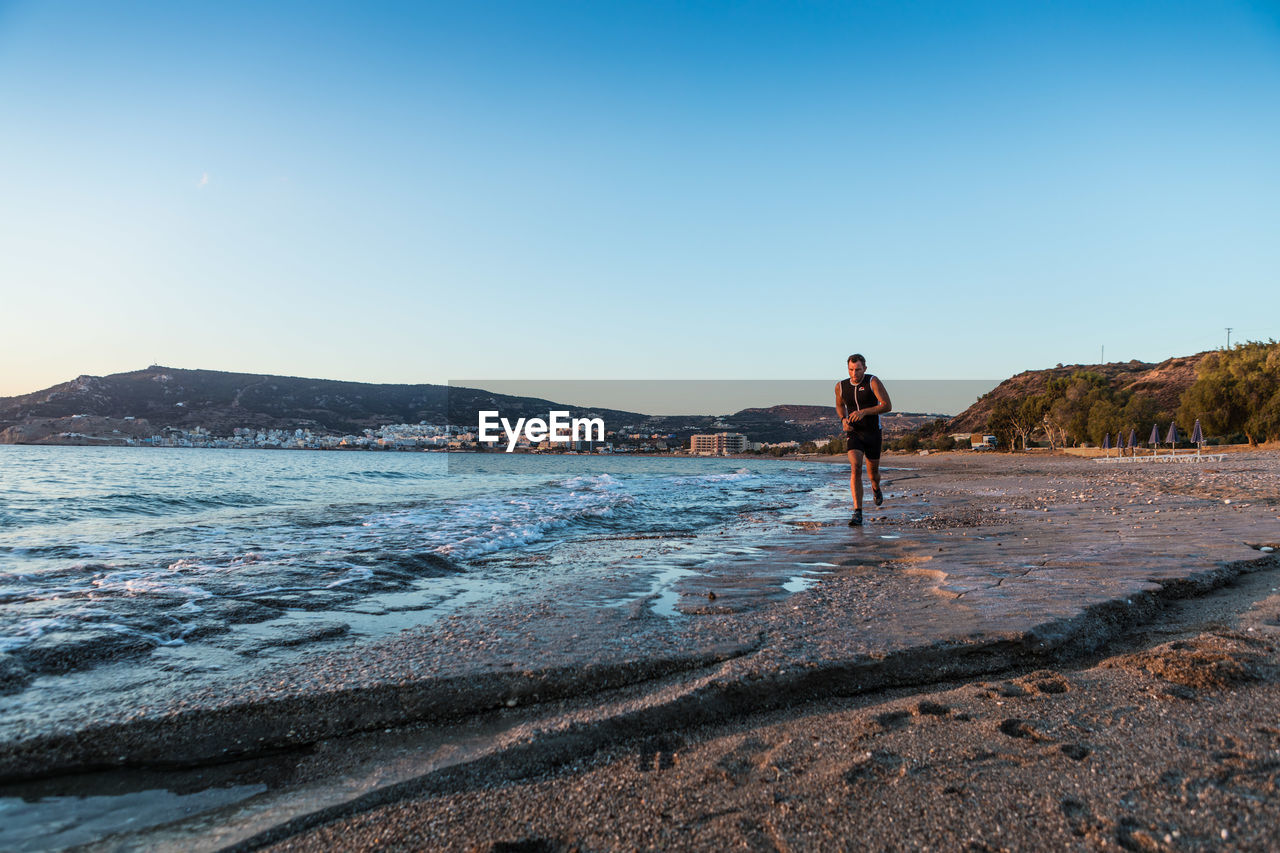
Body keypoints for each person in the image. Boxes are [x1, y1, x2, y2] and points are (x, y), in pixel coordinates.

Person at [835, 353, 892, 526]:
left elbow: (887, 405)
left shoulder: (872, 381)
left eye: (858, 370)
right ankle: (857, 512)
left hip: (873, 432)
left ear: (864, 369)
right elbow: (839, 405)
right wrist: (843, 420)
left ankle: (876, 488)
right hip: (854, 433)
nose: (854, 374)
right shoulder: (840, 386)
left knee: (873, 474)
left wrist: (864, 412)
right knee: (855, 467)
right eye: (851, 370)